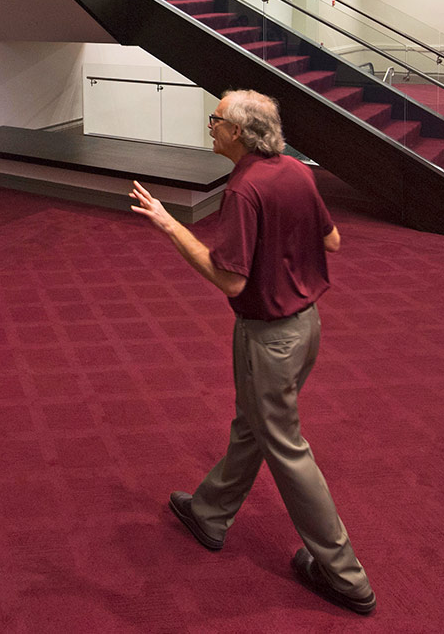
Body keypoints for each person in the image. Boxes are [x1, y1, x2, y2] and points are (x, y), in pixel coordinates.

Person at [130, 89, 375, 616]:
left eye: (215, 119)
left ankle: (345, 576)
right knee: (255, 424)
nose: (210, 124)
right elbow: (331, 243)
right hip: (307, 327)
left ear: (237, 133)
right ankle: (210, 512)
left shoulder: (243, 190)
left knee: (284, 444)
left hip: (269, 338)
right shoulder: (296, 171)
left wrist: (170, 226)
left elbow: (231, 280)